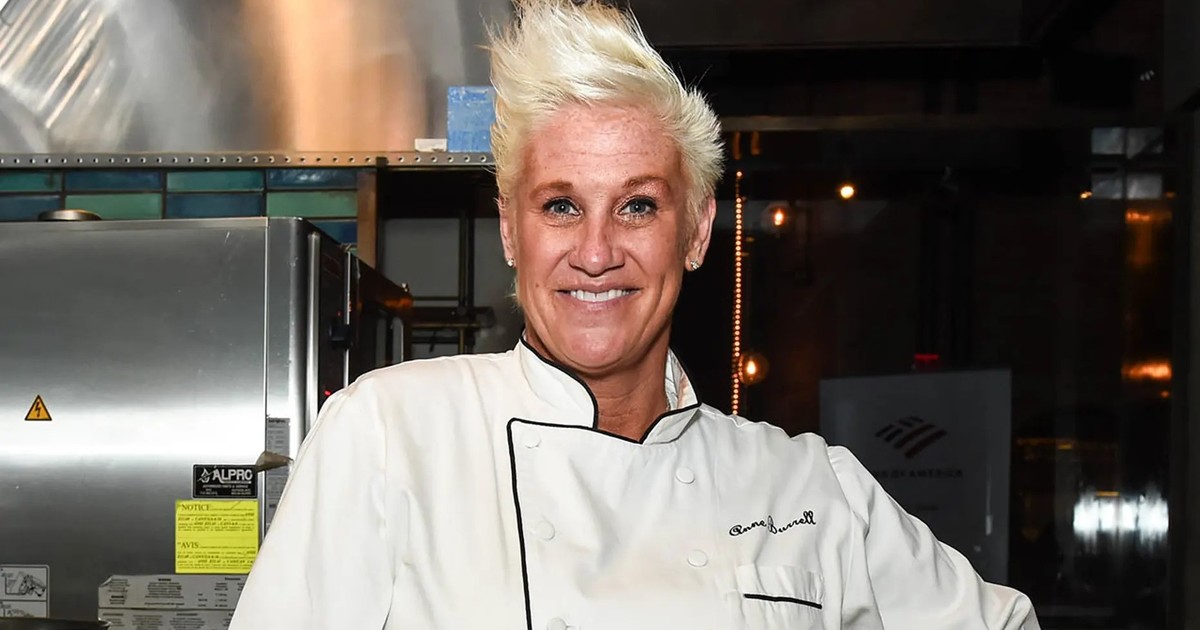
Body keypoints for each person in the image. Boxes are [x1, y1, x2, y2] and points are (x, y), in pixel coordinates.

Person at [228, 1, 1041, 628]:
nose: (596, 252)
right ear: (511, 230)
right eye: (561, 205)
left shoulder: (807, 485)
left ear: (697, 231)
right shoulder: (391, 434)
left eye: (638, 206)